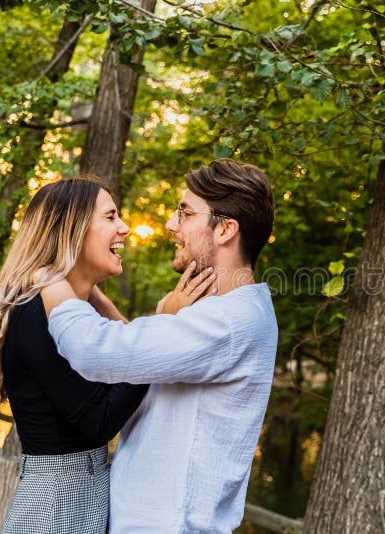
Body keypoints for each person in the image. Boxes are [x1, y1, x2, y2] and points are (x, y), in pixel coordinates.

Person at [39, 159, 278, 533]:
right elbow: (142, 359)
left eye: (185, 213)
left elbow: (91, 351)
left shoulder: (227, 322)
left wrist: (49, 280)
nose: (170, 224)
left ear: (225, 229)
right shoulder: (225, 313)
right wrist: (97, 296)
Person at [0, 178, 153, 533]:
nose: (124, 228)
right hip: (54, 507)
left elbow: (122, 359)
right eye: (110, 217)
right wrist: (158, 343)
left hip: (80, 497)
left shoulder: (77, 314)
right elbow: (100, 420)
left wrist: (101, 302)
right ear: (72, 230)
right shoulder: (34, 313)